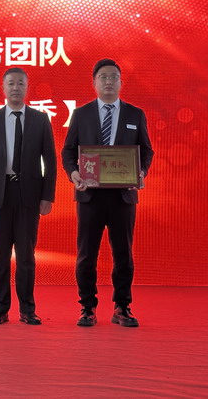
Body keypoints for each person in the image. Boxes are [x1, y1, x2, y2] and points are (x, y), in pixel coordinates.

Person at [61, 58, 154, 327]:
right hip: (89, 194)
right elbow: (68, 151)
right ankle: (87, 307)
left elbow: (146, 150)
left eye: (114, 77)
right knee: (86, 254)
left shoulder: (135, 114)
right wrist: (73, 173)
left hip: (123, 195)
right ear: (94, 82)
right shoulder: (81, 114)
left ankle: (122, 306)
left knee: (123, 253)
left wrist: (141, 171)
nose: (109, 81)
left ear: (121, 82)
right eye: (103, 77)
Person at [0, 68, 57, 326]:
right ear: (3, 88)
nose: (15, 88)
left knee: (26, 256)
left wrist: (47, 196)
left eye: (20, 83)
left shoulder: (40, 119)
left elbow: (50, 160)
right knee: (0, 256)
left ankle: (27, 309)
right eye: (11, 83)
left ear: (27, 88)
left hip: (29, 194)